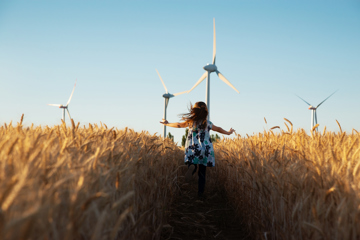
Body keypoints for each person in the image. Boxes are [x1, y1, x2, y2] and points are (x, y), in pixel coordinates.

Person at [160, 101, 235, 198]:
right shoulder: (207, 123)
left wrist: (168, 124)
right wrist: (228, 132)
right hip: (205, 149)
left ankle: (192, 168)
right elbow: (218, 129)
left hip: (193, 148)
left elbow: (179, 124)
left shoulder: (191, 122)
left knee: (193, 162)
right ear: (205, 112)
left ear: (194, 111)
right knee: (202, 172)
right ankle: (200, 193)